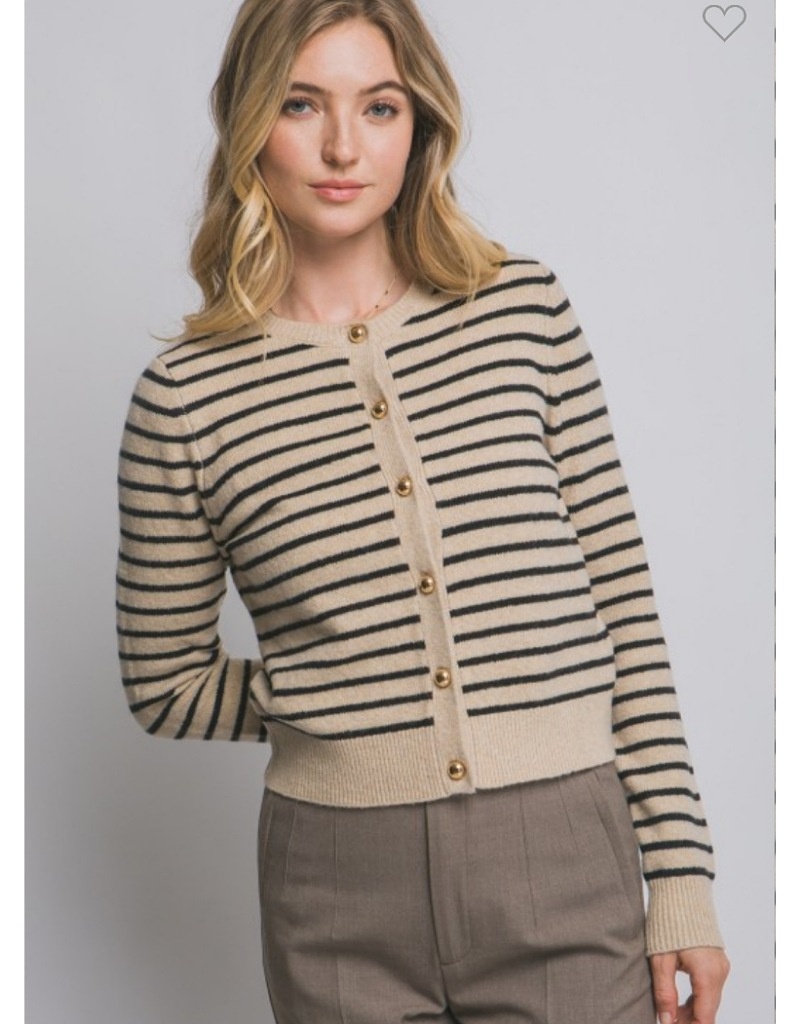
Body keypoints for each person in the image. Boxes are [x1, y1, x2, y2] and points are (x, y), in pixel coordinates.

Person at [115, 1, 730, 1021]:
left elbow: (622, 610)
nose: (342, 146)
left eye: (379, 106)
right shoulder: (187, 395)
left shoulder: (522, 312)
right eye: (301, 104)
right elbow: (163, 683)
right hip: (334, 881)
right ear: (249, 121)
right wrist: (334, 699)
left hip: (563, 854)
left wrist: (680, 881)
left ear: (420, 125)